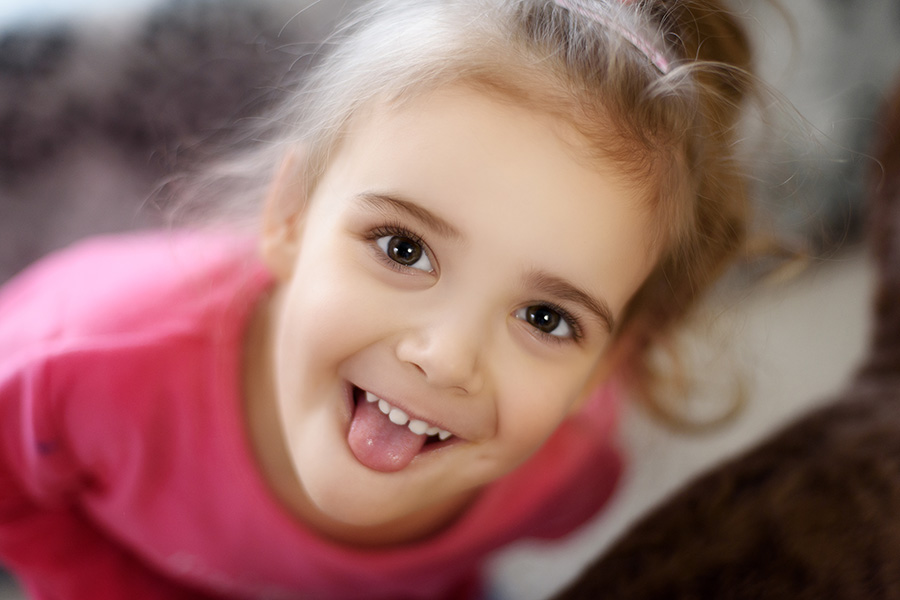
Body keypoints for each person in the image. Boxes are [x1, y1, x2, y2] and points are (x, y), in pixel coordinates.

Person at [0, 0, 755, 598]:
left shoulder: (566, 476)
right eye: (403, 249)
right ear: (291, 215)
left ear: (607, 365)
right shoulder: (71, 366)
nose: (445, 357)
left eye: (545, 318)